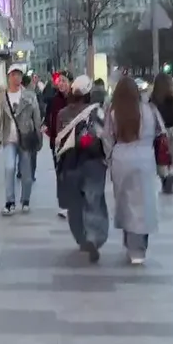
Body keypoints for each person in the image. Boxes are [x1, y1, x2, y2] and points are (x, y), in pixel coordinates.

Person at [104, 78, 164, 265]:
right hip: (145, 159)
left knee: (126, 204)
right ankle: (139, 248)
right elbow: (160, 132)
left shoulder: (113, 112)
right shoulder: (150, 110)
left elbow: (107, 138)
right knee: (143, 204)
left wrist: (109, 158)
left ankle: (130, 242)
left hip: (121, 159)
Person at [54, 76, 110, 263]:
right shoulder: (97, 112)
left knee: (74, 205)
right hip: (93, 163)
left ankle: (81, 238)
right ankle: (93, 237)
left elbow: (57, 140)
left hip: (70, 164)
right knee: (94, 201)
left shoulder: (62, 114)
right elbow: (104, 136)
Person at [0, 64, 43, 215]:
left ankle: (25, 200)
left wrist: (39, 138)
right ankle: (10, 202)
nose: (16, 77)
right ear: (8, 77)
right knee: (9, 168)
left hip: (25, 138)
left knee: (26, 173)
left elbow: (36, 118)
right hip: (8, 139)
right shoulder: (2, 96)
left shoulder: (29, 95)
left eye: (18, 74)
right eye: (13, 74)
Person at [149, 72, 173, 193]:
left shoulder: (154, 98)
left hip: (160, 132)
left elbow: (150, 114)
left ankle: (164, 178)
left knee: (161, 155)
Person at [43, 73, 71, 218]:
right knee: (60, 173)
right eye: (59, 81)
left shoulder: (75, 99)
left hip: (73, 142)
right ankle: (64, 204)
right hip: (57, 143)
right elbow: (48, 120)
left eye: (64, 81)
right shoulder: (53, 101)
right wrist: (47, 130)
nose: (61, 84)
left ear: (70, 83)